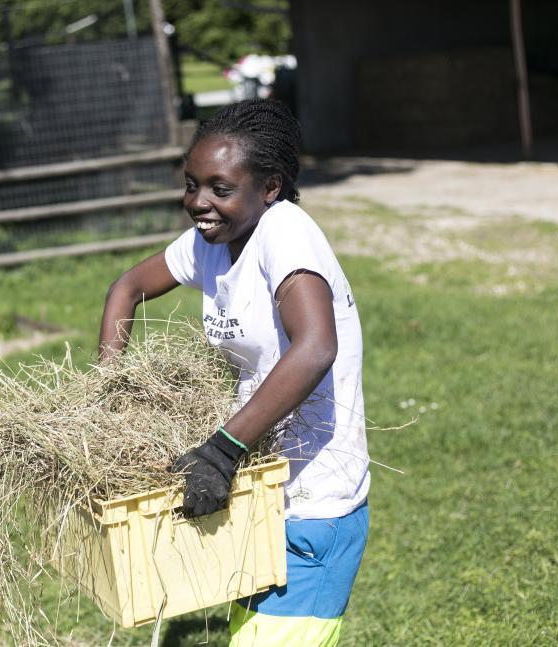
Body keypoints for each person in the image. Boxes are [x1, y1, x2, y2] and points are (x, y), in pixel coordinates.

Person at [98, 99, 369, 646]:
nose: (199, 202)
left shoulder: (285, 232)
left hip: (315, 501)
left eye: (220, 188)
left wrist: (221, 451)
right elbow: (126, 288)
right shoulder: (211, 242)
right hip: (257, 493)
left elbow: (316, 347)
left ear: (270, 187)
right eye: (191, 184)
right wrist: (104, 398)